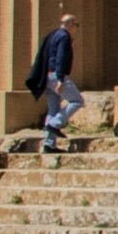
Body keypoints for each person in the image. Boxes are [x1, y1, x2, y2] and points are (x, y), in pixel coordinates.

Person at [28, 13, 82, 150]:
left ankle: (49, 144)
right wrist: (60, 79)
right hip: (56, 76)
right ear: (70, 24)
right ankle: (55, 124)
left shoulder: (52, 34)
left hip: (46, 76)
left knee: (53, 110)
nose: (76, 28)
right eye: (76, 25)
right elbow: (60, 58)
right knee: (77, 101)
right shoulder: (64, 36)